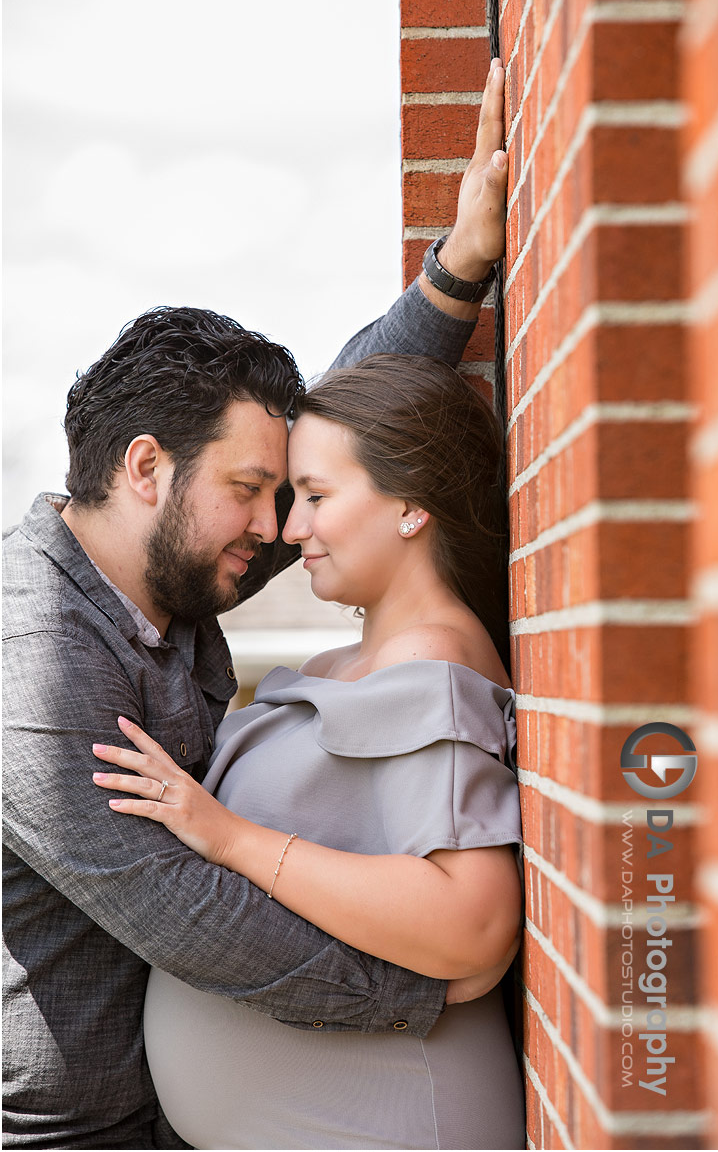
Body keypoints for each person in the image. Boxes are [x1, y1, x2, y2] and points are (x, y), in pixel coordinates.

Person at [2, 62, 510, 1150]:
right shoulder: (32, 658)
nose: (279, 525)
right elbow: (185, 910)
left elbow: (357, 452)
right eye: (250, 491)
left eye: (286, 497)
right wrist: (426, 987)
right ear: (147, 468)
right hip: (68, 1134)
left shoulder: (182, 572)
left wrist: (455, 273)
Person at [91, 354, 526, 1150]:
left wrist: (229, 837)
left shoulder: (430, 665)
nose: (290, 531)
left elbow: (473, 921)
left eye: (316, 498)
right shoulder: (356, 664)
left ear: (410, 506)